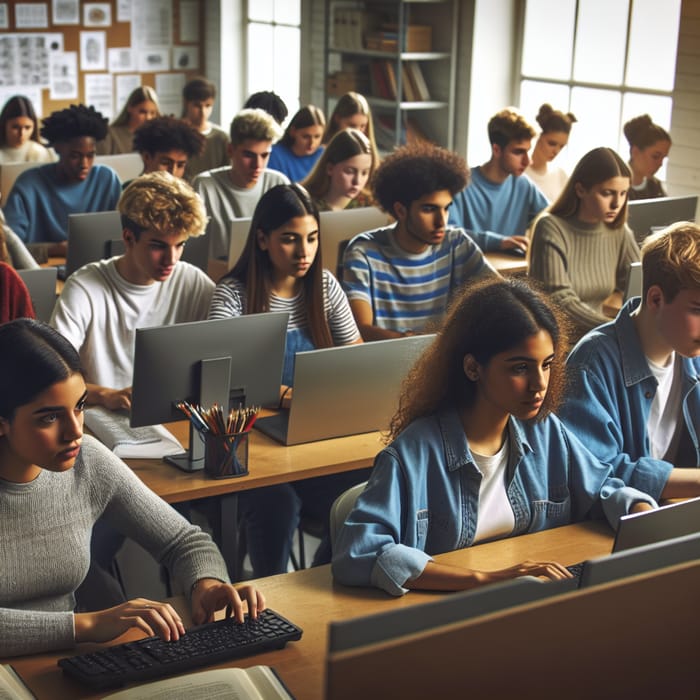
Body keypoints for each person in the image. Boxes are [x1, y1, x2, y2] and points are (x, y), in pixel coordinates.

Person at [331, 277, 658, 596]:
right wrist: (485, 580)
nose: (539, 384)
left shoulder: (545, 430)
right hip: (452, 617)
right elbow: (360, 554)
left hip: (529, 603)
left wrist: (642, 512)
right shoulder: (413, 454)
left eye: (546, 364)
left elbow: (601, 489)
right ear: (473, 368)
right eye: (520, 368)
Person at [0, 318, 265, 657]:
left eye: (79, 406)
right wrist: (87, 625)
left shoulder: (87, 461)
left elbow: (184, 541)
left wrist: (207, 584)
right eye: (49, 418)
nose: (74, 431)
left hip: (60, 663)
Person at [208, 183, 366, 577]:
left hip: (312, 438)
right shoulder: (232, 294)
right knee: (277, 505)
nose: (304, 252)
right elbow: (219, 374)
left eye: (312, 238)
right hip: (253, 444)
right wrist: (283, 395)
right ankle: (269, 595)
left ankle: (320, 576)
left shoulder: (325, 287)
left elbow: (357, 358)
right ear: (262, 239)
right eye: (290, 240)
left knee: (366, 490)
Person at [50, 171, 214, 411]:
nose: (172, 258)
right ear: (128, 238)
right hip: (103, 414)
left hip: (171, 413)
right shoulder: (84, 287)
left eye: (180, 245)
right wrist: (106, 395)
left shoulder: (193, 282)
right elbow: (54, 374)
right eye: (158, 246)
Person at [560, 222, 700, 501]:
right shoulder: (591, 363)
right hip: (607, 526)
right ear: (656, 299)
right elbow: (595, 471)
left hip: (672, 514)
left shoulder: (692, 353)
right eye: (697, 310)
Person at [342, 141, 496, 341]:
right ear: (400, 210)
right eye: (429, 209)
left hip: (444, 360)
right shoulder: (363, 252)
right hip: (387, 362)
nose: (442, 221)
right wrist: (411, 343)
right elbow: (360, 329)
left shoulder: (456, 243)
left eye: (446, 208)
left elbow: (502, 294)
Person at [528, 146, 640, 340]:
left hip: (599, 336)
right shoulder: (551, 228)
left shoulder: (619, 231)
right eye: (607, 193)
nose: (617, 203)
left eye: (623, 194)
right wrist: (615, 329)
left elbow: (642, 284)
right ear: (580, 189)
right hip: (557, 342)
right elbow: (559, 301)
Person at [3, 104, 122, 257]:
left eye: (90, 155)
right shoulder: (28, 185)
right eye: (75, 156)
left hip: (99, 267)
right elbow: (8, 249)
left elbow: (125, 238)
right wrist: (54, 250)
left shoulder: (107, 180)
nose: (84, 164)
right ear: (58, 149)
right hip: (45, 269)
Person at [448, 107, 548, 254]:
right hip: (471, 273)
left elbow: (552, 218)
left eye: (528, 151)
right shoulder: (460, 183)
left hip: (512, 272)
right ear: (496, 150)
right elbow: (449, 235)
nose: (528, 161)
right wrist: (499, 242)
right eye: (518, 152)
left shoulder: (523, 184)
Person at [193, 108, 290, 260]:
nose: (257, 165)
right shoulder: (205, 185)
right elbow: (193, 249)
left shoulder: (278, 184)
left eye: (264, 155)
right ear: (230, 150)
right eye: (248, 155)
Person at [302, 127, 376, 211]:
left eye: (364, 173)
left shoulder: (372, 205)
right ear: (330, 168)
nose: (357, 181)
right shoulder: (304, 204)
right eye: (350, 172)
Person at [181, 76, 231, 180]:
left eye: (208, 106)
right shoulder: (176, 134)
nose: (203, 112)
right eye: (197, 106)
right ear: (186, 103)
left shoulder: (221, 137)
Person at [525, 103, 577, 202]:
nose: (556, 151)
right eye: (552, 143)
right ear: (539, 136)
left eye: (561, 146)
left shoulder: (561, 176)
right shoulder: (519, 173)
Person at [131, 115, 206, 183]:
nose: (173, 172)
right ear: (146, 157)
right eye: (165, 163)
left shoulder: (188, 196)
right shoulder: (127, 194)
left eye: (180, 165)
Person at [268, 105, 326, 182]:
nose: (312, 143)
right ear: (293, 132)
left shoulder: (323, 154)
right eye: (306, 137)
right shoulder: (275, 155)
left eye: (317, 136)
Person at [96, 86, 160, 155]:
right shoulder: (110, 134)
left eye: (153, 113)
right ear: (130, 108)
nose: (148, 118)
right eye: (142, 112)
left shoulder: (156, 137)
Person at [323, 92, 380, 167]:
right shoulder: (322, 153)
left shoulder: (372, 158)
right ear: (337, 119)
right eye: (352, 126)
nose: (358, 132)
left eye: (362, 126)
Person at [623, 114, 672, 201]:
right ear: (635, 152)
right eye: (655, 157)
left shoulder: (655, 187)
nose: (660, 164)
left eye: (663, 158)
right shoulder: (614, 186)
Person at [0, 95, 55, 164]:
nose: (22, 133)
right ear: (4, 125)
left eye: (27, 127)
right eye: (15, 127)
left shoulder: (39, 152)